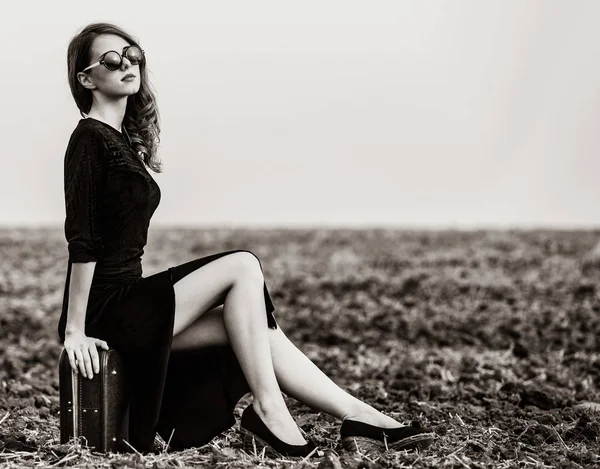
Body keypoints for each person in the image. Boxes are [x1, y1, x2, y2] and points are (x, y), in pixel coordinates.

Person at [58, 22, 435, 458]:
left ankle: (363, 417)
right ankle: (272, 415)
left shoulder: (119, 140)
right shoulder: (89, 138)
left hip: (132, 306)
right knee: (242, 267)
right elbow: (82, 239)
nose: (127, 63)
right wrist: (74, 330)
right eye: (111, 59)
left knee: (252, 327)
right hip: (106, 311)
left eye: (133, 54)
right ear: (87, 79)